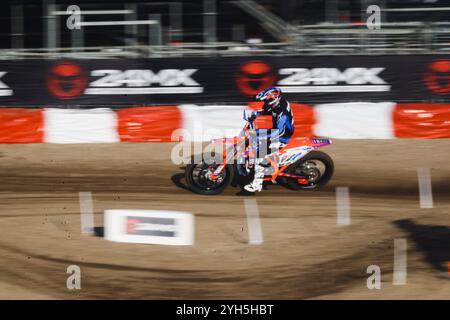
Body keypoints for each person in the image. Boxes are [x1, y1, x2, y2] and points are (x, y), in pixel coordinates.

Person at [244, 86, 295, 192]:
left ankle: (257, 184)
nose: (265, 102)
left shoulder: (283, 113)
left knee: (260, 154)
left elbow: (279, 132)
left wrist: (263, 138)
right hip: (276, 131)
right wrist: (256, 114)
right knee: (252, 135)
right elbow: (268, 110)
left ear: (274, 98)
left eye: (267, 100)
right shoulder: (278, 103)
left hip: (282, 136)